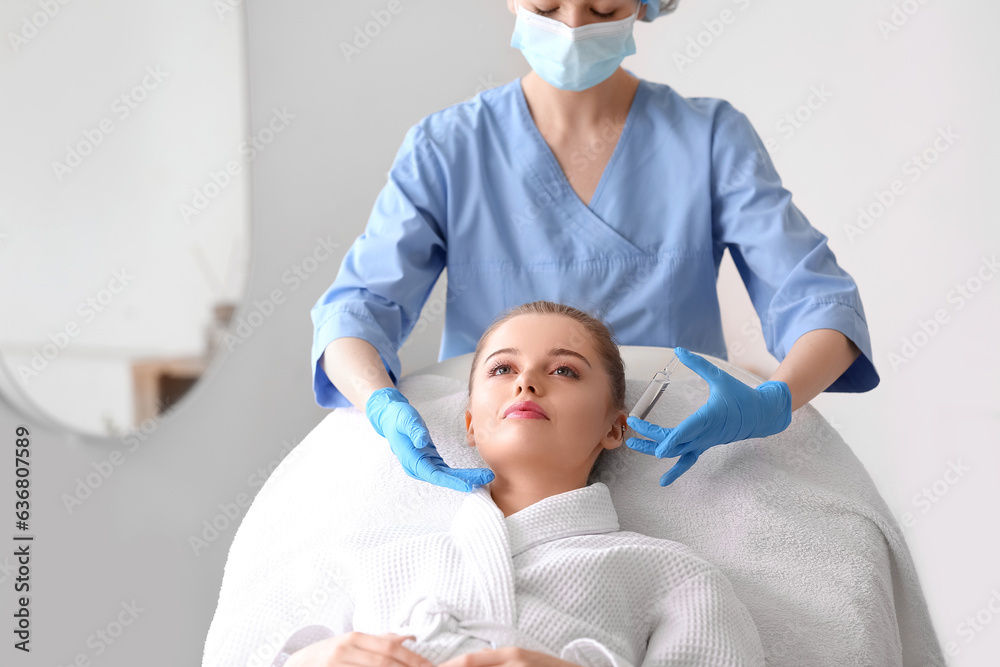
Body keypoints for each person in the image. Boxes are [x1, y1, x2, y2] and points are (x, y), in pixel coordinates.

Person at [313, 0, 879, 489]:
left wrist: (773, 401)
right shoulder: (448, 149)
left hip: (677, 453)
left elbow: (818, 301)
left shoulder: (707, 139)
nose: (573, 29)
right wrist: (379, 405)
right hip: (502, 461)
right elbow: (354, 313)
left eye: (603, 11)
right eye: (548, 9)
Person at [278, 301, 766, 667]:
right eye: (503, 368)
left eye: (564, 370)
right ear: (470, 424)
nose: (526, 382)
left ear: (615, 427)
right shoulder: (376, 568)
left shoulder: (670, 575)